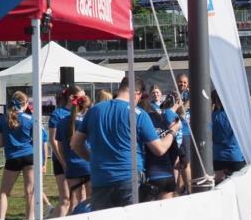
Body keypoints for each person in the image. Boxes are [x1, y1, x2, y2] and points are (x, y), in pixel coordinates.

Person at [70, 76, 174, 211]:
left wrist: (92, 159)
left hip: (100, 177)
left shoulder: (95, 110)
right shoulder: (138, 114)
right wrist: (172, 132)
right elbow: (159, 149)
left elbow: (75, 144)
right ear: (137, 93)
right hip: (128, 178)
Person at [0, 91, 47, 220]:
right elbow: (39, 141)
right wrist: (43, 162)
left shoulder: (3, 120)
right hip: (29, 156)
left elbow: (1, 143)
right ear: (26, 104)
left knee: (4, 192)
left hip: (12, 158)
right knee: (30, 191)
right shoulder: (31, 119)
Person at [48, 86, 77, 218]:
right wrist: (63, 161)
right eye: (80, 96)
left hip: (77, 160)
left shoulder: (82, 112)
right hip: (62, 160)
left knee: (77, 198)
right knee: (65, 198)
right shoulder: (58, 114)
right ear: (71, 98)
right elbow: (53, 140)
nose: (83, 99)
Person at [62, 93, 93, 212]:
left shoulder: (63, 121)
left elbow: (60, 147)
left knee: (74, 201)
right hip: (88, 163)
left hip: (72, 165)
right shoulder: (88, 121)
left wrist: (65, 162)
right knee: (91, 200)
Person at [211, 92, 245, 181]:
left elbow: (209, 134)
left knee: (219, 186)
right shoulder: (239, 116)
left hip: (218, 156)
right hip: (236, 156)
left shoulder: (213, 116)